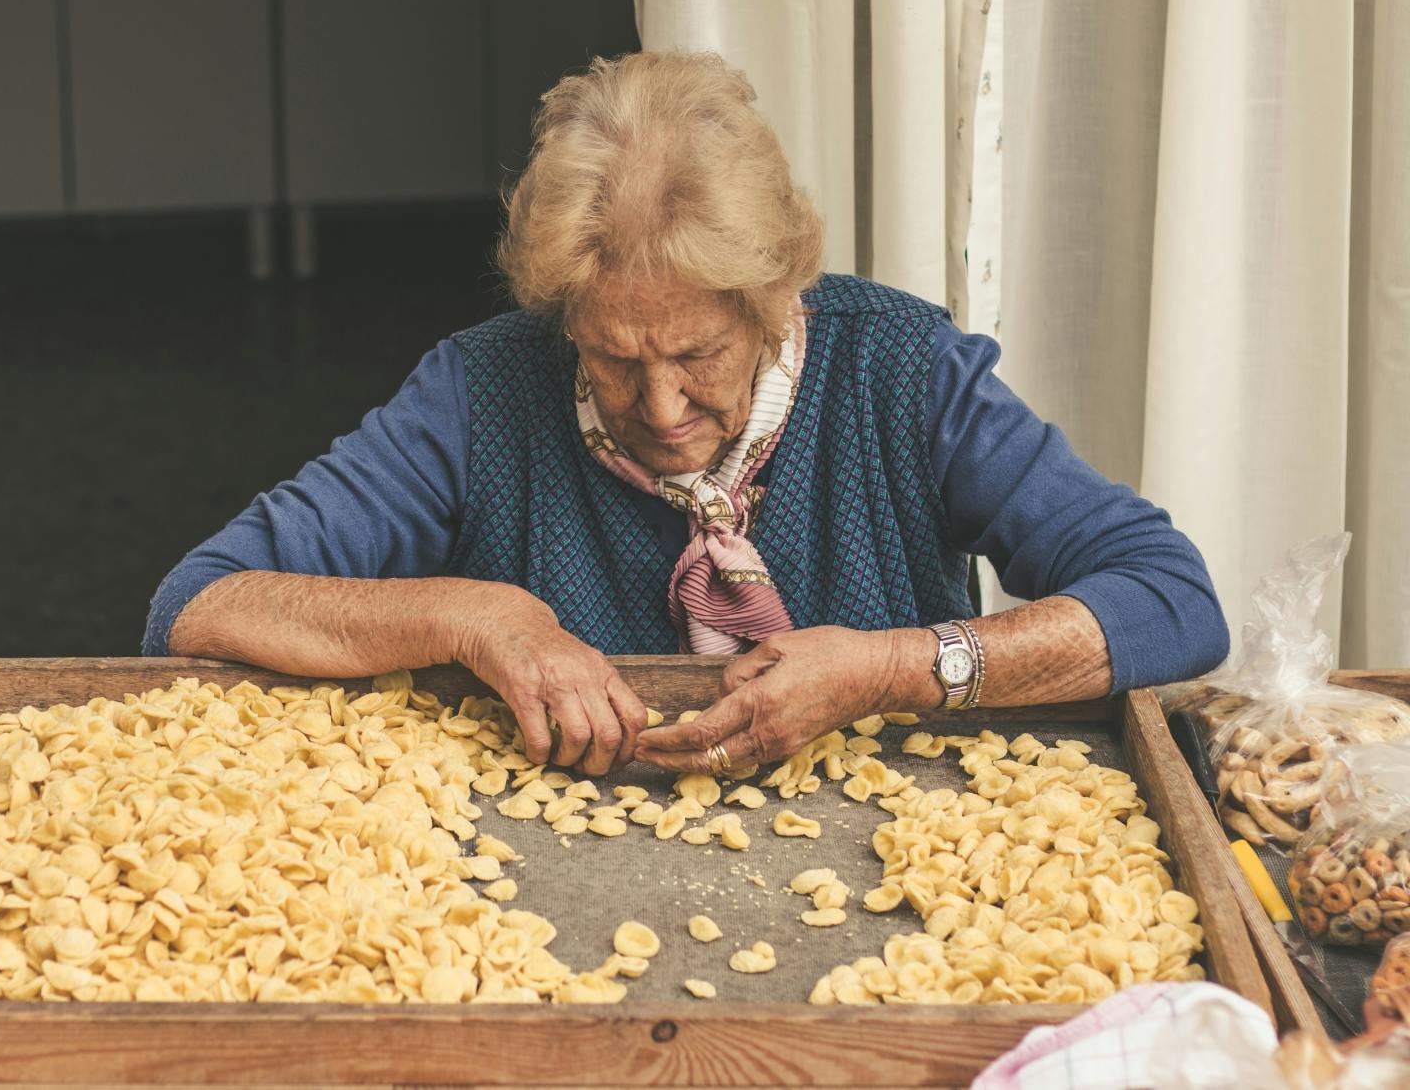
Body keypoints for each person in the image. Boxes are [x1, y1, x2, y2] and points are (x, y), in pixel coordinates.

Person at [142, 51, 1228, 778]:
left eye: (697, 355)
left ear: (773, 299)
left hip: (905, 876)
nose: (659, 408)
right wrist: (479, 616)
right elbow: (197, 605)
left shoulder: (899, 367)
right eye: (611, 359)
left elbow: (1169, 599)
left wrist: (897, 665)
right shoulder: (480, 391)